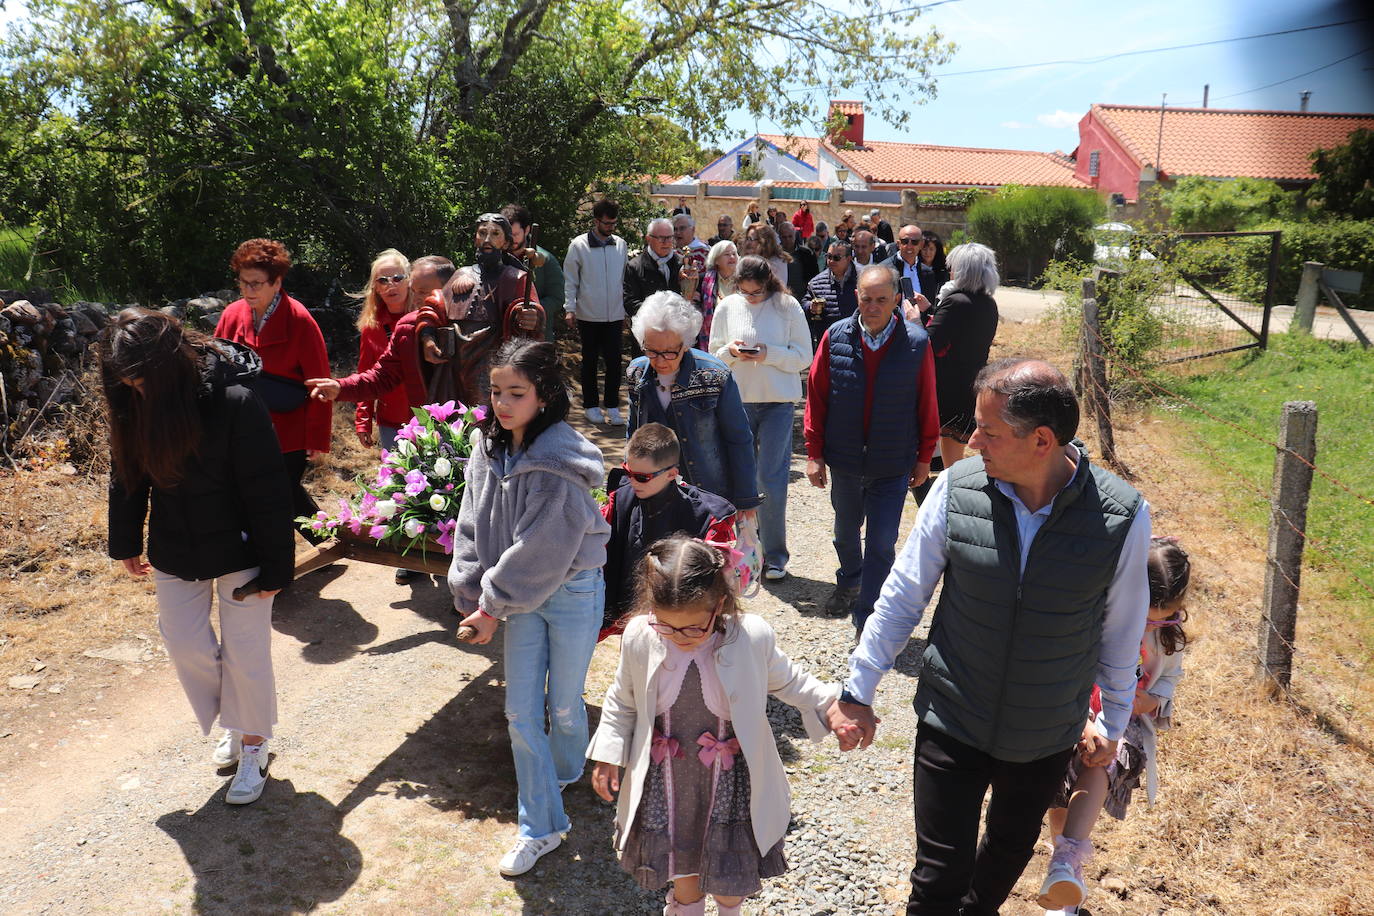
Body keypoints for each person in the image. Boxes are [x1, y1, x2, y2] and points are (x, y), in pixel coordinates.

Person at [831, 357, 1153, 916]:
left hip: (1045, 732)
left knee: (1000, 866)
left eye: (990, 431)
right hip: (952, 718)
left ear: (1042, 441)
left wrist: (1111, 723)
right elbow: (904, 595)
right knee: (936, 881)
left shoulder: (1121, 517)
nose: (972, 441)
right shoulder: (957, 489)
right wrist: (858, 688)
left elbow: (1121, 633)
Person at [588, 535, 851, 916]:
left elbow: (791, 682)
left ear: (721, 604)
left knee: (730, 883)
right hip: (668, 779)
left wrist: (833, 705)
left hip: (731, 782)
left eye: (695, 628)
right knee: (684, 870)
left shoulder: (751, 637)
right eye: (667, 626)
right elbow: (622, 701)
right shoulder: (640, 636)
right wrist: (608, 755)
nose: (681, 638)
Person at [104, 309, 293, 806]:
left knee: (246, 652)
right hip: (175, 545)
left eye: (143, 382)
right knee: (184, 642)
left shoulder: (236, 402)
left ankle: (254, 743)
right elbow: (126, 474)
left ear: (169, 369)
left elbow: (269, 489)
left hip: (243, 546)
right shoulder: (133, 400)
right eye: (128, 382)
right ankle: (237, 713)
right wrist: (124, 541)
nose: (136, 391)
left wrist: (277, 564)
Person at [446, 339, 611, 877]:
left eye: (517, 393)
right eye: (496, 392)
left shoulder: (557, 461)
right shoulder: (487, 444)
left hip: (570, 589)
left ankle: (564, 769)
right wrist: (470, 590)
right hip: (514, 593)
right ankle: (541, 827)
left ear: (545, 396)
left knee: (564, 704)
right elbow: (471, 520)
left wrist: (491, 606)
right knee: (521, 711)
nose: (503, 403)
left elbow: (542, 549)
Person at [1038, 537, 1192, 915]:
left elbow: (1171, 678)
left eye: (1164, 616)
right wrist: (1081, 720)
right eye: (1147, 614)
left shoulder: (1166, 635)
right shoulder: (1096, 611)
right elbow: (1060, 662)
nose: (1153, 623)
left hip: (1123, 721)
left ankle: (1067, 863)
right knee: (1059, 788)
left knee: (1101, 760)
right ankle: (1063, 860)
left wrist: (1153, 700)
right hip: (1071, 707)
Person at [803, 264, 939, 630]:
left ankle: (869, 616)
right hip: (845, 460)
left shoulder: (916, 342)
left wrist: (925, 456)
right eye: (866, 299)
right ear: (857, 299)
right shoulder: (835, 336)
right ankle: (849, 581)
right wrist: (814, 453)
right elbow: (816, 398)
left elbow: (927, 402)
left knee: (881, 544)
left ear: (896, 299)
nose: (873, 306)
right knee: (845, 534)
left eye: (882, 299)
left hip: (892, 462)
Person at [306, 215, 542, 417]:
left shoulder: (517, 278)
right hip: (452, 383)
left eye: (495, 234)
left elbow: (532, 330)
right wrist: (428, 337)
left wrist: (531, 318)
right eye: (482, 233)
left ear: (506, 242)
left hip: (494, 377)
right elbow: (384, 372)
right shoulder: (415, 323)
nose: (487, 240)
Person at [214, 238, 330, 543]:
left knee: (279, 492)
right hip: (243, 426)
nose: (249, 290)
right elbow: (214, 368)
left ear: (277, 282)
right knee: (269, 492)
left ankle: (290, 557)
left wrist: (316, 437)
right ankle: (325, 540)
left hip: (289, 427)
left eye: (257, 283)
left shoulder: (300, 319)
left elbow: (320, 382)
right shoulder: (231, 314)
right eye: (243, 282)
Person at [708, 256, 812, 581]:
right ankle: (740, 552)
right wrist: (733, 352)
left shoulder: (788, 305)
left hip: (778, 403)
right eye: (745, 292)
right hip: (737, 400)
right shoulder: (727, 307)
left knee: (771, 477)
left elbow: (804, 357)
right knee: (738, 476)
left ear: (768, 282)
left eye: (756, 293)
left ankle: (775, 556)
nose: (751, 298)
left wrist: (769, 354)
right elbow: (712, 355)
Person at [626, 292, 760, 518]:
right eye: (651, 351)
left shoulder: (714, 375)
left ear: (686, 344)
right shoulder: (636, 373)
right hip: (654, 491)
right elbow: (633, 433)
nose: (659, 361)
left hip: (708, 493)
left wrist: (746, 499)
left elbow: (738, 438)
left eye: (669, 352)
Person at [599, 423, 737, 638]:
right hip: (626, 610)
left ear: (672, 474)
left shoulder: (702, 515)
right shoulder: (621, 499)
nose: (633, 481)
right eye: (628, 472)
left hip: (677, 621)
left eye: (642, 477)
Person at [917, 242, 1001, 471]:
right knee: (952, 455)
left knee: (948, 463)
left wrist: (915, 318)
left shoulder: (956, 302)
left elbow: (929, 343)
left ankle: (947, 500)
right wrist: (930, 312)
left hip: (947, 388)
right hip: (970, 385)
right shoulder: (988, 304)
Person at [564, 198, 630, 426]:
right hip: (588, 315)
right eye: (606, 223)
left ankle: (612, 406)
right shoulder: (578, 245)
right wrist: (569, 309)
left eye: (614, 223)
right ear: (596, 221)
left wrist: (625, 311)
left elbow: (623, 280)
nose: (611, 227)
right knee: (590, 362)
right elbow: (570, 280)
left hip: (614, 315)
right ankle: (590, 406)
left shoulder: (621, 244)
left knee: (614, 362)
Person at [349, 248, 414, 452]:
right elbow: (366, 374)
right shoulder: (371, 326)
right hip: (391, 419)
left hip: (427, 416)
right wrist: (363, 420)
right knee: (397, 479)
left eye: (397, 278)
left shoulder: (426, 317)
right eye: (382, 280)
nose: (390, 285)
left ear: (409, 280)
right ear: (375, 288)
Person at [502, 203, 566, 341]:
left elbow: (557, 298)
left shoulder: (546, 260)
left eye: (515, 234)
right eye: (508, 235)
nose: (511, 239)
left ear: (527, 230)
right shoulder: (496, 259)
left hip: (536, 337)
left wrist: (533, 312)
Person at [624, 217, 683, 365]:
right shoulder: (634, 266)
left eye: (670, 238)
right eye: (662, 238)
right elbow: (630, 302)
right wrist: (658, 314)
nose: (667, 243)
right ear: (649, 239)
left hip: (675, 337)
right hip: (647, 336)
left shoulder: (681, 263)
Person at [805, 240, 858, 348]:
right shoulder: (816, 283)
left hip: (857, 341)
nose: (831, 261)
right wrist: (810, 307)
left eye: (836, 258)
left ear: (849, 258)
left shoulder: (863, 279)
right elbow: (804, 304)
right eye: (828, 256)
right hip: (829, 343)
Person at [697, 240, 738, 350]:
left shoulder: (745, 280)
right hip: (711, 337)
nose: (732, 257)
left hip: (737, 335)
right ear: (716, 260)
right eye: (727, 254)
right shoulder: (703, 281)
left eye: (734, 253)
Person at [884, 224, 926, 308]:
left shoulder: (928, 273)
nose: (909, 246)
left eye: (914, 242)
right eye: (905, 242)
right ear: (898, 244)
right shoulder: (884, 270)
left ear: (921, 244)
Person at [777, 220, 818, 305]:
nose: (787, 240)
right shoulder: (774, 255)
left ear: (795, 235)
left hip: (802, 300)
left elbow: (814, 277)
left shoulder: (807, 254)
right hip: (780, 301)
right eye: (784, 237)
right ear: (779, 237)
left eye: (790, 236)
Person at [918, 230, 950, 303]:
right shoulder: (914, 268)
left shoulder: (943, 271)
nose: (927, 252)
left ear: (937, 250)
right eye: (924, 249)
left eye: (931, 249)